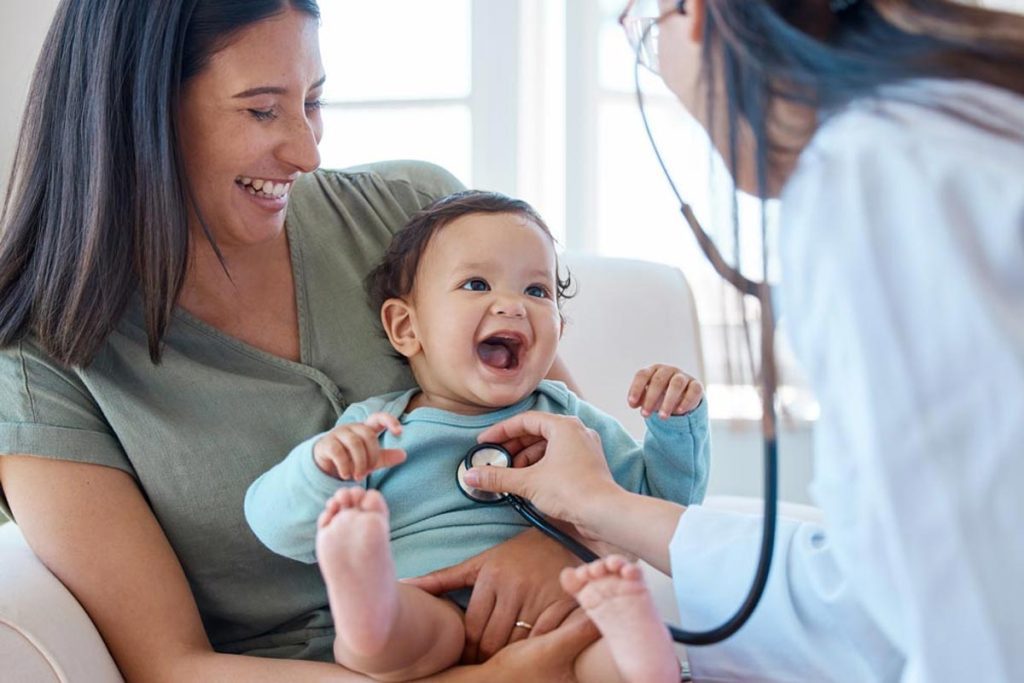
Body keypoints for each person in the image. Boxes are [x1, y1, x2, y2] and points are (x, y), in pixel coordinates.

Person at [0, 1, 617, 680]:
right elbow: (169, 664)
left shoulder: (416, 212)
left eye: (313, 100)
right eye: (262, 111)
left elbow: (586, 458)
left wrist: (555, 543)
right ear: (135, 115)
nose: (307, 152)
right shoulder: (39, 366)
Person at [456, 0, 1024, 681]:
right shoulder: (954, 125)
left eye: (643, 28)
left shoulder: (874, 177)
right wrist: (602, 506)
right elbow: (882, 591)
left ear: (694, 12)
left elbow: (970, 624)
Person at [243, 190, 710, 682]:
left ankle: (639, 646)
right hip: (430, 602)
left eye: (537, 291)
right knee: (386, 642)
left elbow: (657, 507)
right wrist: (321, 466)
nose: (511, 305)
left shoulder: (569, 421)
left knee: (602, 655)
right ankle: (366, 594)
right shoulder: (378, 430)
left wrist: (674, 425)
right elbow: (276, 528)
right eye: (476, 283)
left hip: (564, 609)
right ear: (406, 326)